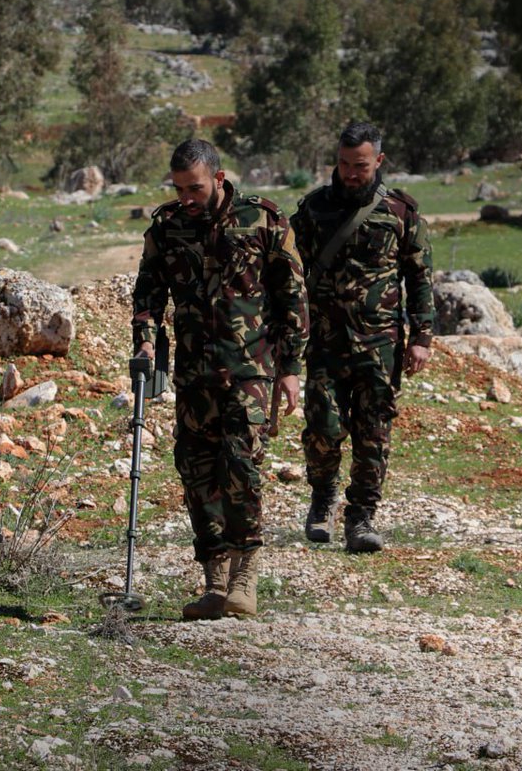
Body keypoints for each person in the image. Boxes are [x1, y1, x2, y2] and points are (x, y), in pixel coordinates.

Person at [132, 139, 308, 619]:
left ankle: (244, 577)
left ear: (219, 178)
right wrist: (145, 341)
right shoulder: (167, 227)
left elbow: (292, 296)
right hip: (194, 373)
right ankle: (214, 581)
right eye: (179, 189)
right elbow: (148, 293)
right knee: (197, 470)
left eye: (195, 188)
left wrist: (291, 368)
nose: (187, 197)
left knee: (241, 466)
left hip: (251, 369)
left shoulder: (263, 220)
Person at [291, 122, 434, 553]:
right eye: (344, 164)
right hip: (326, 343)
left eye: (361, 166)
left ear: (379, 161)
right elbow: (290, 271)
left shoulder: (400, 211)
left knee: (373, 434)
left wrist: (422, 336)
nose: (351, 174)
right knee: (323, 428)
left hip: (380, 345)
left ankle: (361, 517)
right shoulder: (313, 209)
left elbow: (419, 276)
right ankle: (322, 499)